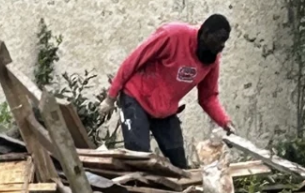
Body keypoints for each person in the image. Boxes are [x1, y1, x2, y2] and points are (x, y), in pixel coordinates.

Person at [98, 15, 233, 169]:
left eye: (223, 43)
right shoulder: (172, 35)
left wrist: (225, 122)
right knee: (139, 158)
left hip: (165, 109)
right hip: (137, 98)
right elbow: (133, 60)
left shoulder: (212, 58)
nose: (220, 47)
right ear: (205, 34)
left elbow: (208, 97)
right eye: (217, 42)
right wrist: (111, 98)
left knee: (179, 164)